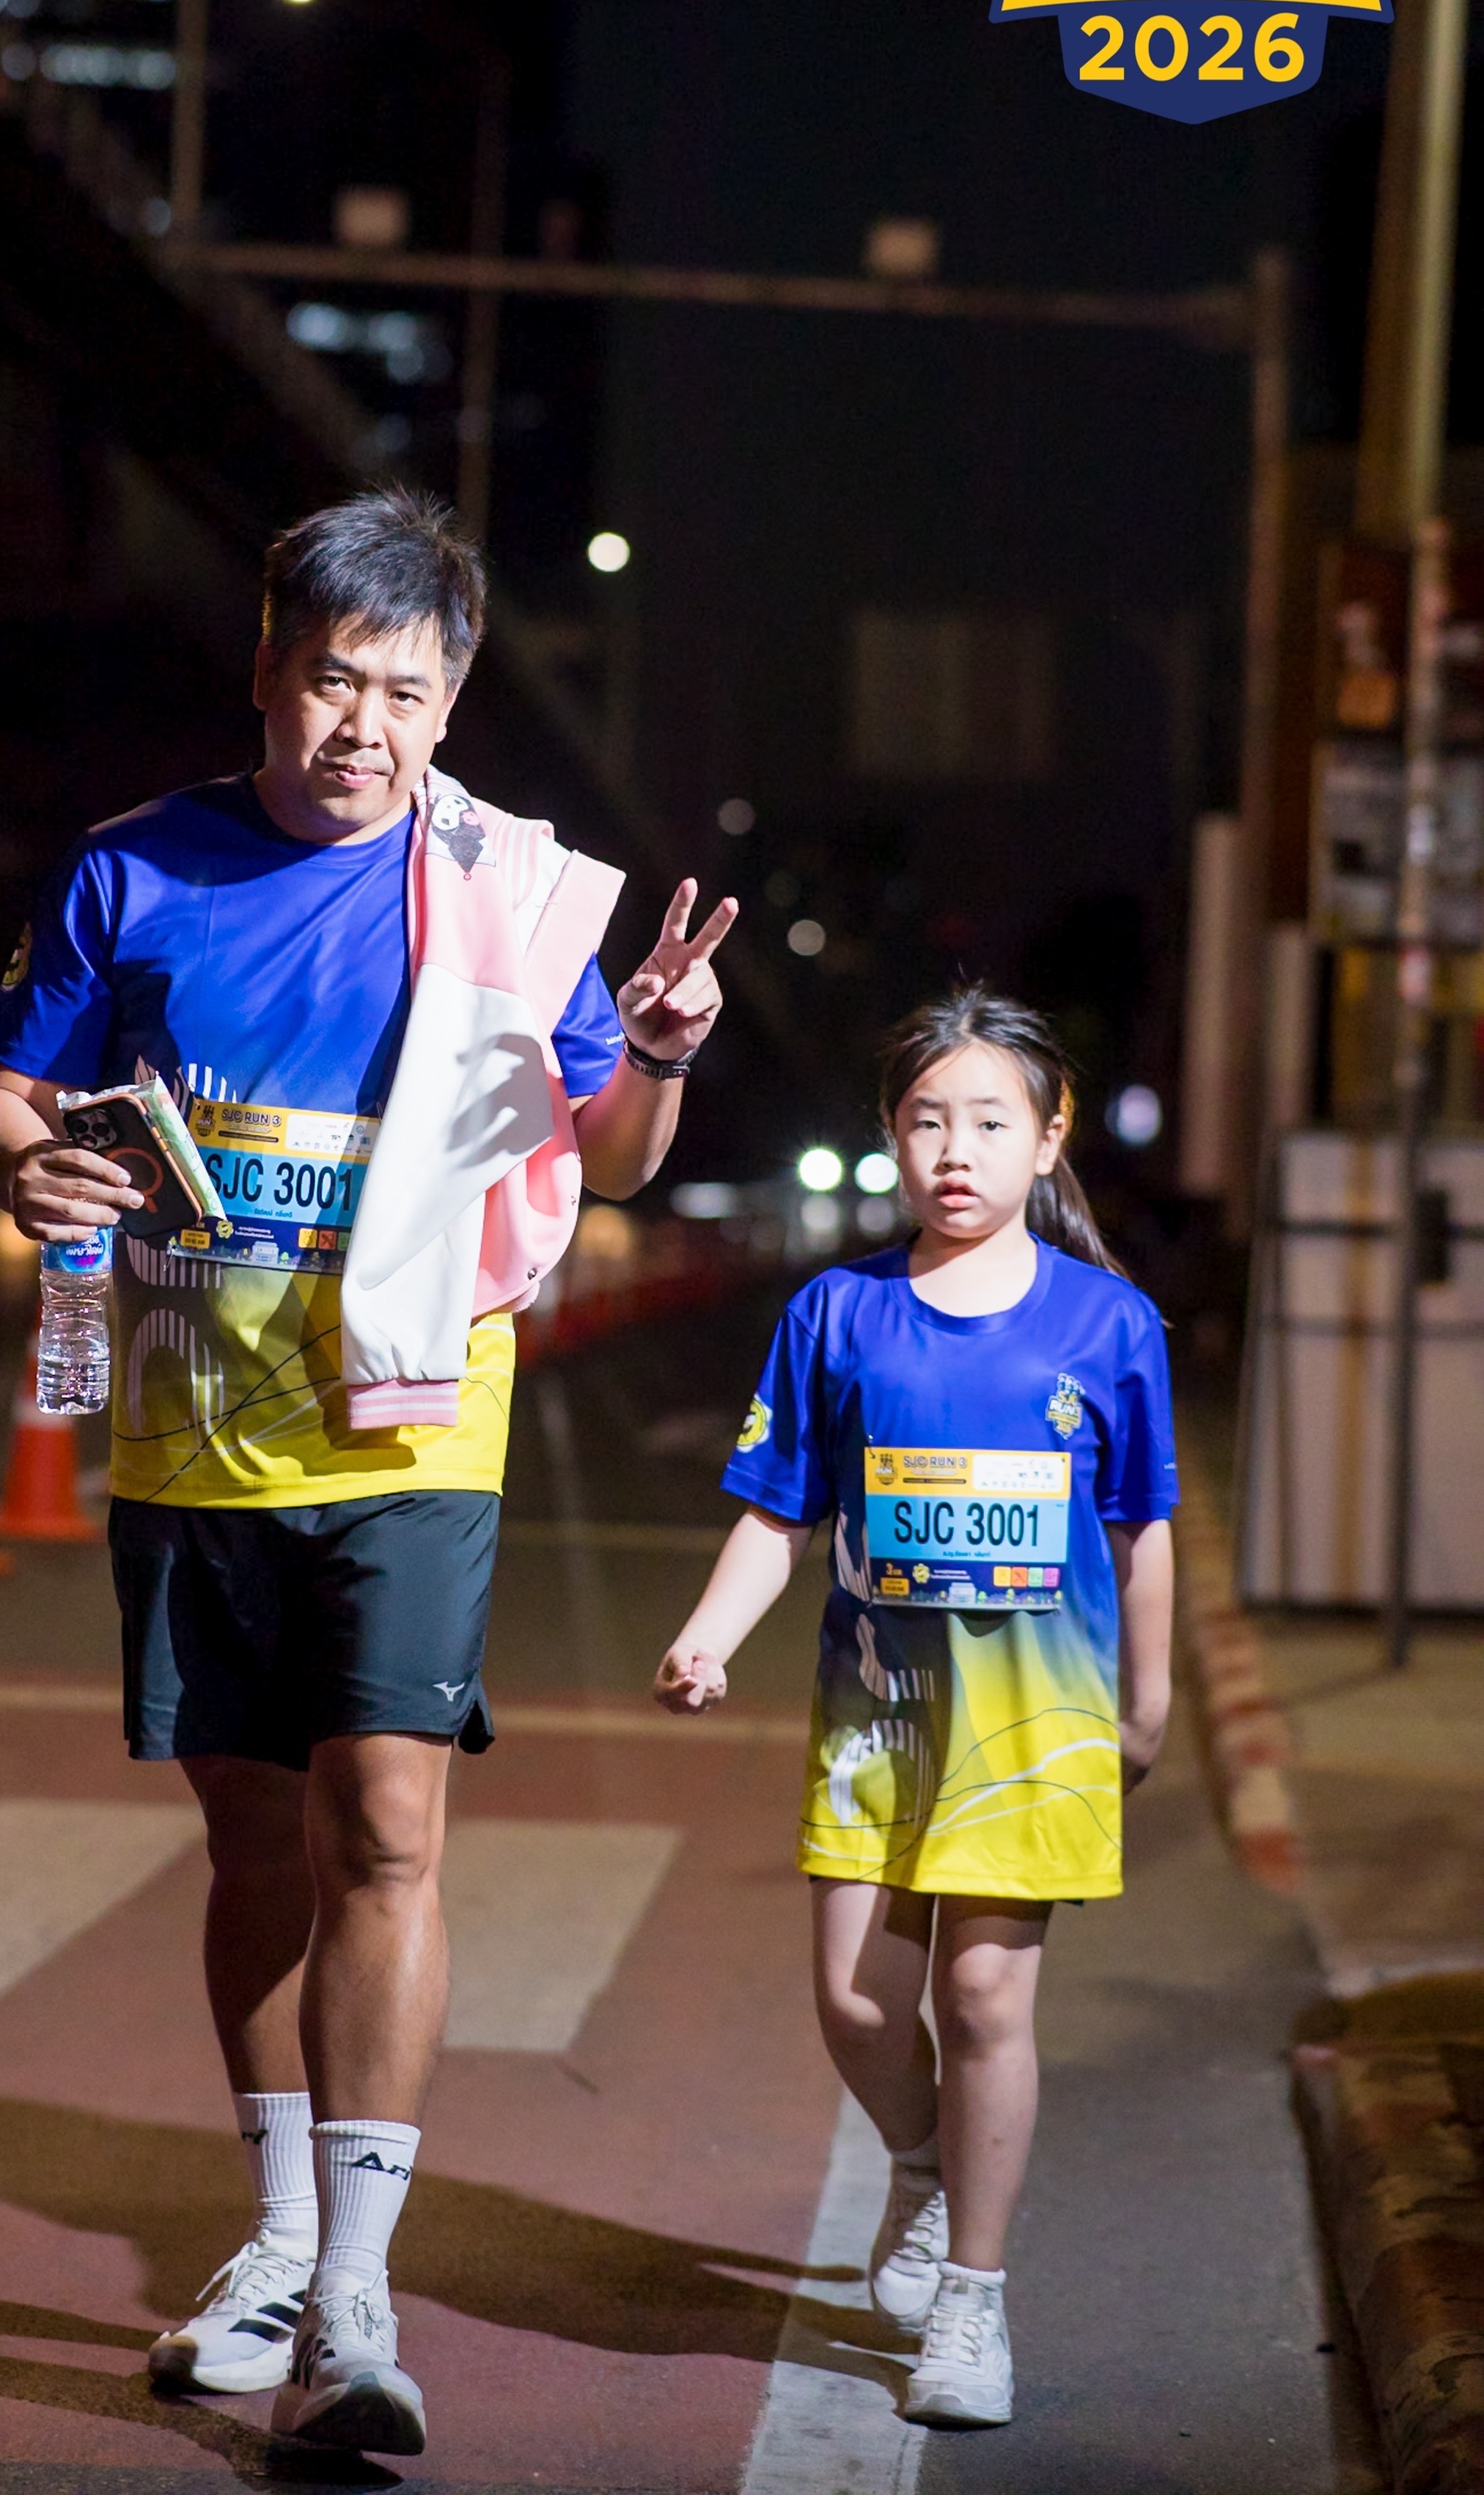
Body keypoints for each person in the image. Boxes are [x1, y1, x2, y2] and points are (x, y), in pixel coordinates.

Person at [0, 487, 735, 2458]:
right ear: (267, 669)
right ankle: (284, 2233)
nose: (360, 725)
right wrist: (22, 1167)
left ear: (451, 699)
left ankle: (362, 2296)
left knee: (384, 1823)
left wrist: (653, 1052)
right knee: (254, 1847)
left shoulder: (512, 893)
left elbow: (612, 1160)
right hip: (192, 1427)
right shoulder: (133, 869)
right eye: (330, 680)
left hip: (416, 1420)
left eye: (401, 690)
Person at [653, 988, 1175, 2430]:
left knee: (983, 1994)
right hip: (876, 1715)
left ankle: (973, 2297)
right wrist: (705, 1635)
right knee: (856, 1998)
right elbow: (777, 1512)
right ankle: (925, 2166)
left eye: (990, 1121)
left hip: (1038, 1715)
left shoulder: (1110, 1323)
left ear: (1048, 1137)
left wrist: (1148, 1702)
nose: (956, 1149)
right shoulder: (837, 1313)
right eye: (927, 1119)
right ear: (890, 1135)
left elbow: (1141, 1529)